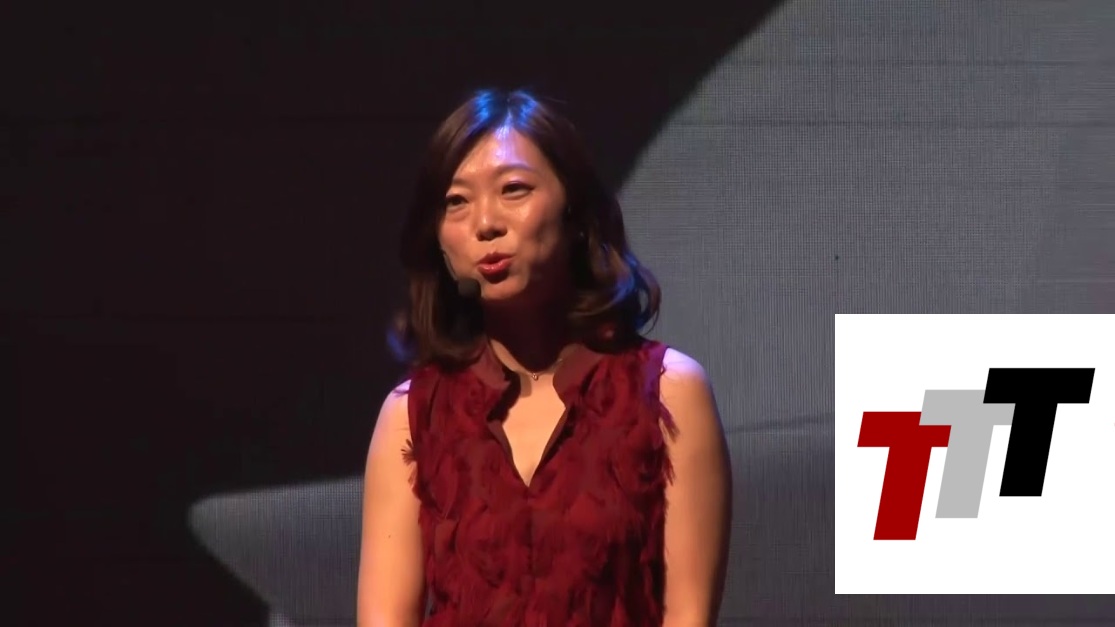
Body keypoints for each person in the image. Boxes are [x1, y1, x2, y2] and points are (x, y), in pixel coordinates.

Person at [357, 88, 732, 626]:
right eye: (457, 202)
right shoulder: (411, 415)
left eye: (513, 189)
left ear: (575, 211)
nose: (486, 223)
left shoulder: (668, 393)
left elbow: (688, 617)